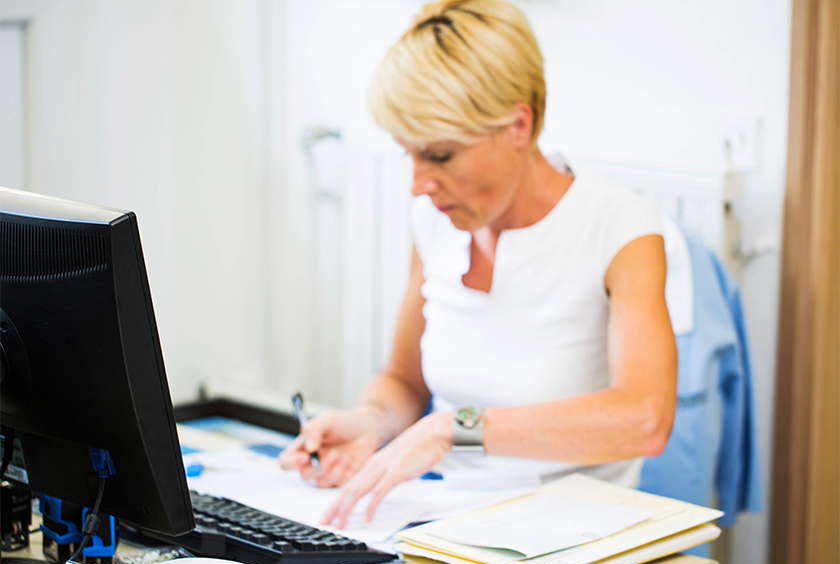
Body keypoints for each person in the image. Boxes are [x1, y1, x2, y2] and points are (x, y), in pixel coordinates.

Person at [280, 0, 677, 529]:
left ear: (518, 124)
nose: (418, 184)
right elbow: (404, 379)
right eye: (410, 156)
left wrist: (455, 428)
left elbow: (644, 418)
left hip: (573, 538)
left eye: (440, 156)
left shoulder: (620, 226)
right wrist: (370, 422)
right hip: (444, 521)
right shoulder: (437, 220)